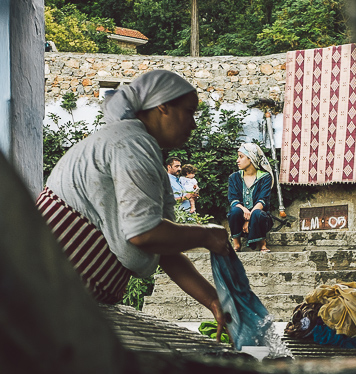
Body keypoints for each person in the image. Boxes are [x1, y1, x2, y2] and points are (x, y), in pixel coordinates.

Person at [36, 70, 231, 334]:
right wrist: (207, 235)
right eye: (189, 111)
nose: (193, 124)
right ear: (162, 106)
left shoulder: (133, 143)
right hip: (50, 295)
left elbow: (163, 247)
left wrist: (213, 300)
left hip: (62, 298)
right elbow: (145, 234)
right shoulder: (132, 143)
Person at [227, 143, 273, 252]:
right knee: (234, 211)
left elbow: (263, 200)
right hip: (240, 217)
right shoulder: (234, 177)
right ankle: (236, 244)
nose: (237, 160)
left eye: (241, 156)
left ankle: (262, 244)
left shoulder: (265, 177)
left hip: (259, 217)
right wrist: (244, 210)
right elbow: (233, 199)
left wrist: (250, 220)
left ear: (250, 158)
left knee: (258, 213)